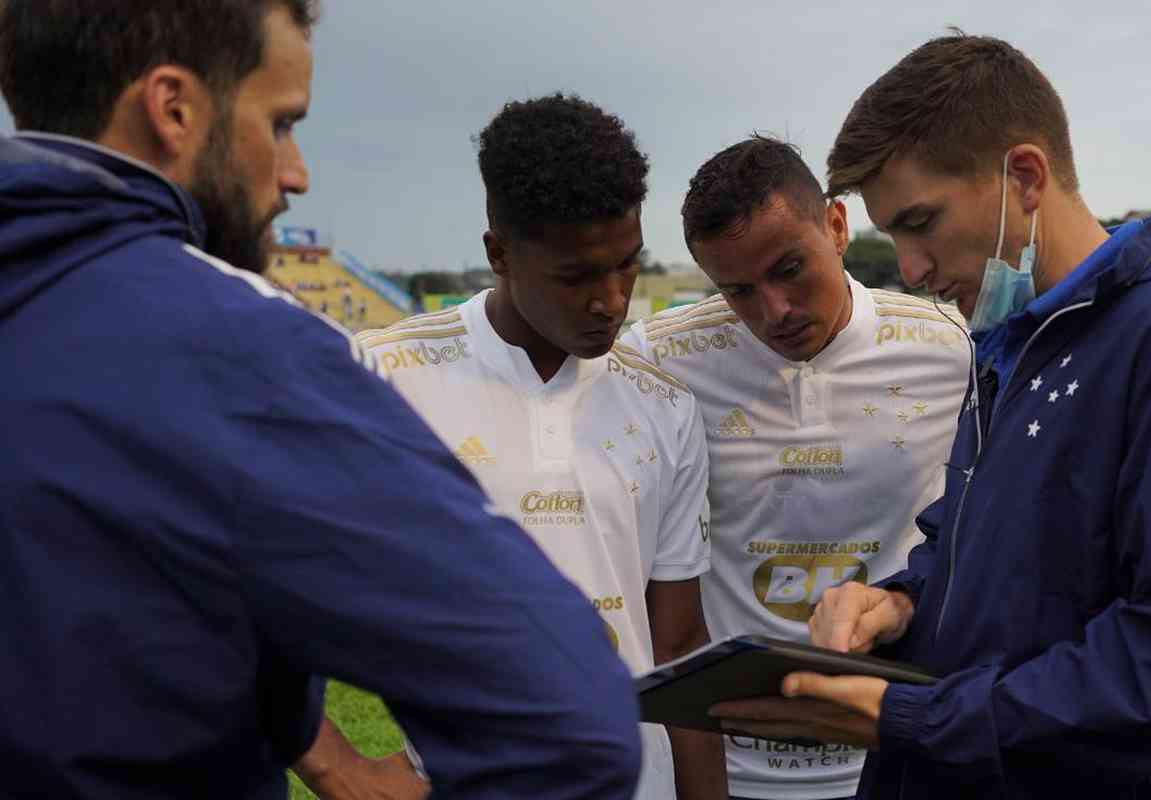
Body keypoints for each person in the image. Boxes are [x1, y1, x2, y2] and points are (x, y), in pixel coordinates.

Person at [0, 3, 641, 798]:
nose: (297, 171)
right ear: (174, 110)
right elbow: (571, 722)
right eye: (279, 125)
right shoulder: (238, 349)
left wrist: (317, 745)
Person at [710, 33, 1151, 800]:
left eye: (920, 222)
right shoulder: (1008, 343)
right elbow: (982, 555)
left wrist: (917, 718)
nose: (913, 269)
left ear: (1025, 175)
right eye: (893, 235)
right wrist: (899, 601)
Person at [350, 93, 727, 800]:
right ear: (499, 254)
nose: (612, 300)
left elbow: (680, 651)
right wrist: (340, 768)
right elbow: (259, 589)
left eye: (626, 266)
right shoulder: (385, 378)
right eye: (577, 275)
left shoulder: (664, 405)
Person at [622, 135, 971, 800]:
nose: (772, 312)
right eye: (738, 291)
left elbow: (972, 532)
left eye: (789, 270)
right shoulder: (658, 358)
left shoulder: (943, 347)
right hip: (727, 760)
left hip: (891, 750)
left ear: (837, 226)